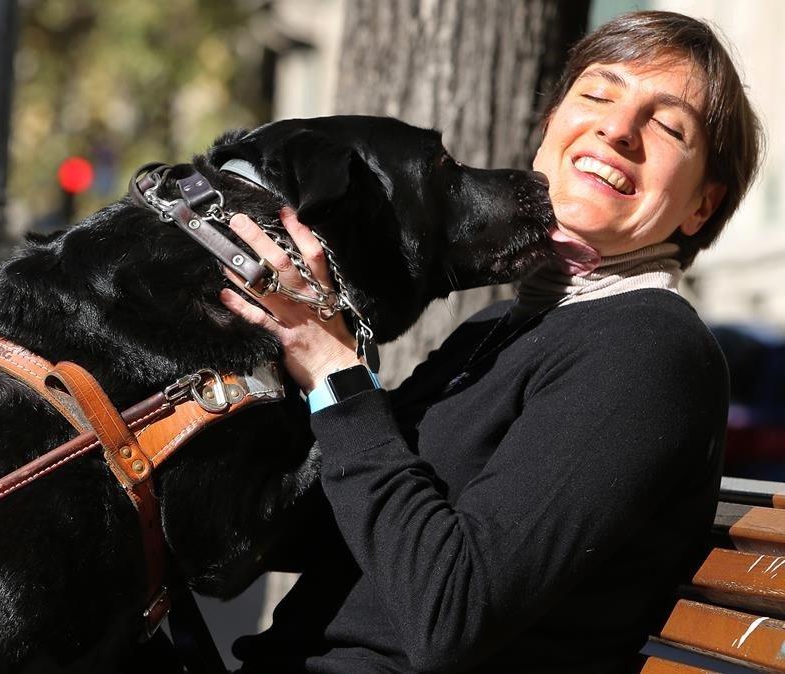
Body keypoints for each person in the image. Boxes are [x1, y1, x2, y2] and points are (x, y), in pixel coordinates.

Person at [220, 11, 763, 673]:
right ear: (549, 129)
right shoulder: (501, 326)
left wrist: (336, 372)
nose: (619, 129)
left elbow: (452, 613)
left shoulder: (648, 348)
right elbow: (327, 527)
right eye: (597, 94)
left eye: (668, 125)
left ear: (701, 207)